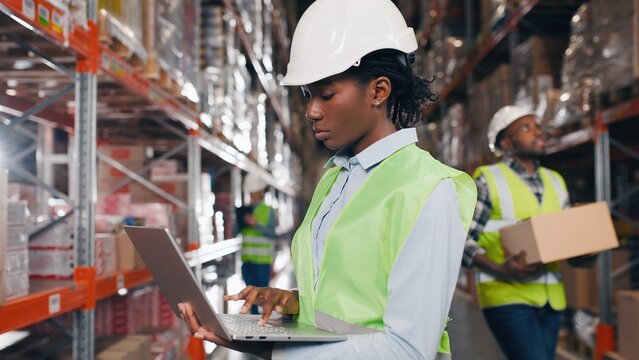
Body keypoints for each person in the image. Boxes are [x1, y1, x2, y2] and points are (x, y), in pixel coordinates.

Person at [179, 0, 477, 358]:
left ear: (378, 91)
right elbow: (350, 302)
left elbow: (407, 349)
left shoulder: (429, 190)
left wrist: (275, 351)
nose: (311, 111)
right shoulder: (334, 179)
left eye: (326, 94)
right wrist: (294, 303)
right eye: (308, 96)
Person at [462, 105, 595, 360]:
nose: (538, 133)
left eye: (536, 126)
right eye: (527, 128)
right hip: (507, 296)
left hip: (551, 299)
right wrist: (499, 268)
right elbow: (461, 239)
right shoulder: (488, 180)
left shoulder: (556, 180)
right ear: (508, 143)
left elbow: (566, 238)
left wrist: (585, 252)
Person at [237, 172, 277, 314]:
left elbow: (272, 234)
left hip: (262, 262)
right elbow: (238, 232)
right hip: (247, 261)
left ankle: (265, 320)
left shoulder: (268, 211)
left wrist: (256, 224)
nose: (253, 195)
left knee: (263, 296)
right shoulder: (244, 211)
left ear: (261, 192)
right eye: (251, 192)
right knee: (250, 296)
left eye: (255, 192)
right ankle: (253, 322)